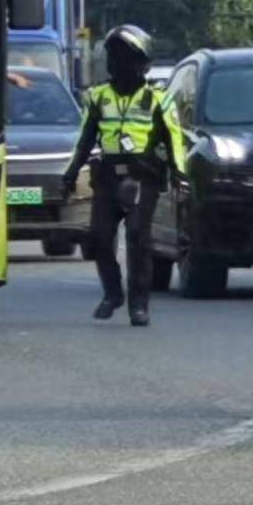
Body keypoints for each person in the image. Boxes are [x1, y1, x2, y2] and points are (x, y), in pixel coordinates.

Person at [61, 25, 185, 327]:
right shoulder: (98, 97)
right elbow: (85, 139)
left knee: (137, 238)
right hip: (107, 178)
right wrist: (70, 173)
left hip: (143, 177)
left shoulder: (158, 99)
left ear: (142, 62)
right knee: (99, 237)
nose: (119, 64)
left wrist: (180, 174)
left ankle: (139, 304)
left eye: (127, 57)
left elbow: (174, 139)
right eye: (115, 57)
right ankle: (112, 293)